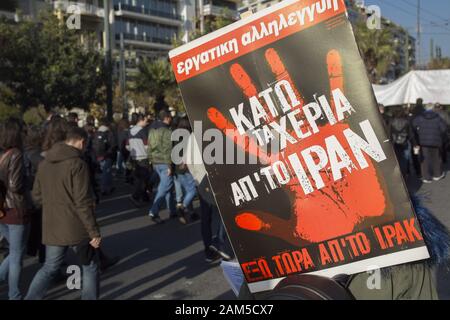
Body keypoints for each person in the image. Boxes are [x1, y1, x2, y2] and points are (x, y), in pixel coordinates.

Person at [25, 127, 101, 300]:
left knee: (49, 267)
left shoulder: (44, 163)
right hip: (76, 225)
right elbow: (83, 201)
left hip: (52, 223)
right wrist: (94, 231)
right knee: (89, 266)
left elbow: (36, 196)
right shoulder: (78, 164)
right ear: (81, 142)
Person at [186, 133, 231, 262]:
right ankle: (219, 243)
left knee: (206, 216)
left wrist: (197, 178)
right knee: (226, 212)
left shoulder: (193, 135)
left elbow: (189, 160)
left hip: (202, 181)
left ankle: (209, 249)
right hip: (218, 180)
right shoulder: (217, 131)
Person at [0, 118, 31, 300]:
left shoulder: (2, 154)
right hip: (15, 209)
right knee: (17, 254)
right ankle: (14, 295)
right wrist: (30, 180)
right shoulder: (16, 154)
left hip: (3, 208)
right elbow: (15, 184)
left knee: (14, 250)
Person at [148, 110, 176, 224]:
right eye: (170, 117)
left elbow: (149, 146)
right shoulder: (166, 131)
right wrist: (170, 165)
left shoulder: (152, 129)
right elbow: (168, 149)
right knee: (166, 185)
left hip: (155, 161)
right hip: (164, 162)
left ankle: (172, 210)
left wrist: (150, 160)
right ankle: (154, 211)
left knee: (166, 185)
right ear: (167, 118)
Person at [412, 103, 448, 183]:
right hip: (436, 141)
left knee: (424, 160)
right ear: (433, 108)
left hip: (423, 141)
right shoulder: (437, 117)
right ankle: (437, 175)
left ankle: (426, 177)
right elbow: (444, 128)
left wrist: (419, 133)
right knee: (436, 158)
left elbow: (413, 125)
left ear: (425, 108)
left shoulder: (420, 117)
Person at [174, 118, 199, 224]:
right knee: (192, 190)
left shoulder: (175, 135)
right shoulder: (188, 136)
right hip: (186, 167)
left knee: (187, 190)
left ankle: (191, 212)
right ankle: (182, 208)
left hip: (177, 167)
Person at [127, 114, 151, 205]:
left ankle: (144, 197)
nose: (147, 122)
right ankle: (135, 196)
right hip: (143, 157)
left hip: (134, 158)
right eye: (146, 120)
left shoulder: (130, 131)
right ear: (142, 120)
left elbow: (127, 146)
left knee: (139, 178)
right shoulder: (143, 131)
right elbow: (147, 146)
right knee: (143, 179)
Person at [93, 118, 117, 196]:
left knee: (105, 171)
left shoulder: (96, 133)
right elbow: (113, 145)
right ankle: (105, 188)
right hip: (107, 155)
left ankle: (109, 186)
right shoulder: (109, 133)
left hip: (98, 155)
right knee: (106, 172)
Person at [389, 109, 415, 178]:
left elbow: (389, 133)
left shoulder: (391, 122)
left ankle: (398, 174)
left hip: (394, 142)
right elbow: (411, 134)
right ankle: (404, 173)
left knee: (396, 159)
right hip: (405, 142)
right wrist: (414, 143)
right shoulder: (407, 122)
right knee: (405, 159)